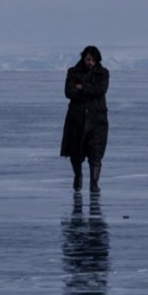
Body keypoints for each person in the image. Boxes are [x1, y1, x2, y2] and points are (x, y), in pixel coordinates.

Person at [60, 45, 109, 194]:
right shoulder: (73, 72)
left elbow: (101, 90)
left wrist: (83, 87)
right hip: (77, 119)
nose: (90, 62)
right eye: (88, 59)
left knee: (95, 152)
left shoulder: (103, 73)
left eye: (93, 60)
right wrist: (87, 90)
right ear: (83, 58)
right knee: (76, 153)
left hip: (97, 120)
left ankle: (94, 183)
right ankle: (78, 176)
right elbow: (69, 92)